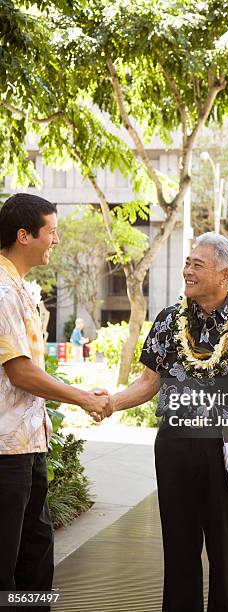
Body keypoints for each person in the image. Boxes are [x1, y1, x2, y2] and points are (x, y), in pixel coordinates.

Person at [102, 232, 228, 612]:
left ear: (225, 274)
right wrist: (111, 402)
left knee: (226, 557)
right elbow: (149, 381)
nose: (187, 271)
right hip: (175, 448)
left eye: (197, 265)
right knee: (179, 551)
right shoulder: (169, 320)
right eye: (187, 263)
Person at [0, 193, 109, 611]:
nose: (57, 240)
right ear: (23, 235)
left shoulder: (20, 288)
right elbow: (21, 372)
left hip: (29, 443)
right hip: (6, 452)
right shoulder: (4, 291)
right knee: (8, 562)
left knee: (35, 555)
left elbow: (32, 372)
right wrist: (82, 398)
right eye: (52, 231)